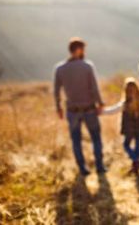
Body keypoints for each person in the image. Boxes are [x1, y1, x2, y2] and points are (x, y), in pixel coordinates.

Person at [54, 37, 106, 176]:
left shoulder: (60, 69)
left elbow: (56, 90)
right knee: (96, 137)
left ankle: (82, 168)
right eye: (83, 49)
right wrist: (100, 103)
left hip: (72, 111)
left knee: (76, 140)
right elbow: (94, 88)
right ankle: (99, 166)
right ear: (78, 50)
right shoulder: (87, 66)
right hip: (89, 109)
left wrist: (58, 108)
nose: (84, 52)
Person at [103, 78, 139, 174]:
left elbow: (113, 110)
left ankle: (135, 161)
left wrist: (102, 111)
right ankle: (136, 162)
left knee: (126, 145)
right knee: (137, 146)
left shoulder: (125, 102)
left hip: (129, 130)